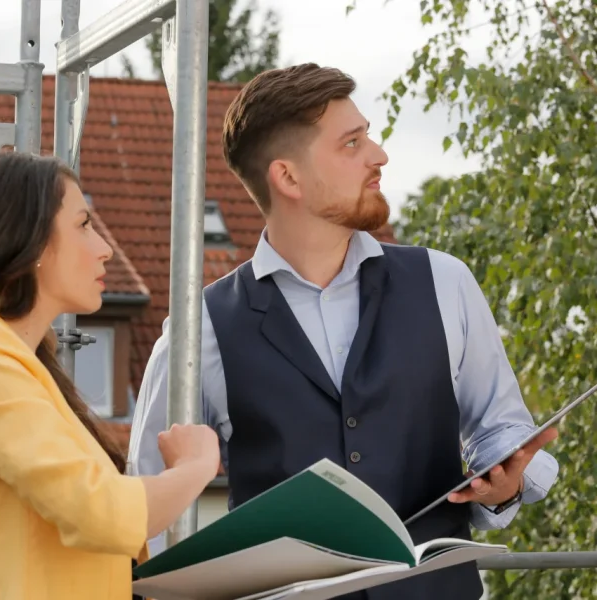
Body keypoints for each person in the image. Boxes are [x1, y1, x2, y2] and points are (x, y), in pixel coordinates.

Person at [127, 63, 559, 599]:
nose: (378, 155)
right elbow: (139, 511)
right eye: (352, 144)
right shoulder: (199, 331)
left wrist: (506, 479)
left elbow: (504, 431)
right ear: (288, 178)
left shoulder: (445, 282)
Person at [0, 151, 221, 600]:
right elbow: (102, 513)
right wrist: (197, 466)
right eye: (83, 225)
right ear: (29, 241)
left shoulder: (12, 359)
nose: (105, 247)